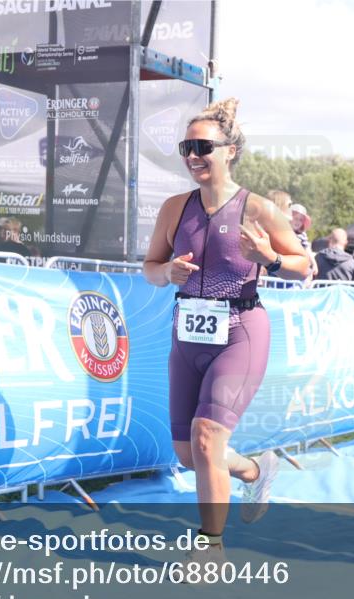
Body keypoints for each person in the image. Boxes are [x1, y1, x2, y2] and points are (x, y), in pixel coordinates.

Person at [142, 98, 311, 558]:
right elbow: (150, 267)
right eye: (186, 146)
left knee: (206, 439)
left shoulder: (256, 210)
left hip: (240, 330)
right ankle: (255, 470)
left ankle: (209, 549)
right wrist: (167, 274)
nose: (193, 155)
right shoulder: (175, 208)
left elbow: (304, 265)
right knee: (187, 453)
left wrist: (270, 260)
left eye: (203, 146)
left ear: (230, 151)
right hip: (188, 333)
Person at [289, 204, 318, 277]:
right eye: (296, 218)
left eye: (301, 220)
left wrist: (314, 264)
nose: (298, 222)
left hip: (296, 266)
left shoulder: (302, 235)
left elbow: (307, 249)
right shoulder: (284, 232)